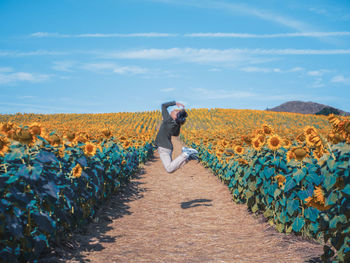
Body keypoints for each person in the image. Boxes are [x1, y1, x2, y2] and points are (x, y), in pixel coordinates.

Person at [155, 100, 199, 173]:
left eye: (175, 111)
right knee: (172, 167)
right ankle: (188, 157)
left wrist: (174, 103)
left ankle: (185, 154)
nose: (172, 110)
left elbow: (163, 105)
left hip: (164, 148)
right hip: (167, 148)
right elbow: (176, 134)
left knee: (169, 169)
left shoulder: (168, 120)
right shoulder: (175, 124)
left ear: (175, 116)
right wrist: (178, 123)